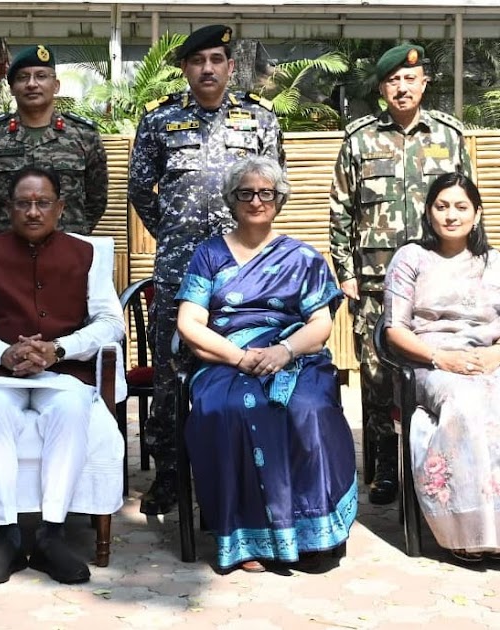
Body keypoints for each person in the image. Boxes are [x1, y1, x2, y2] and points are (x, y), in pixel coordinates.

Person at [0, 166, 124, 586]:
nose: (34, 212)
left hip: (63, 372)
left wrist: (59, 349)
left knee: (72, 408)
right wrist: (0, 352)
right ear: (9, 208)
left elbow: (111, 322)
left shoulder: (87, 254)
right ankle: (6, 535)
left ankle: (50, 534)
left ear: (60, 207)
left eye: (43, 203)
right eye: (23, 203)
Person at [127, 24, 284, 515]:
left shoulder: (259, 118)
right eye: (198, 61)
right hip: (179, 271)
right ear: (185, 69)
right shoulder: (159, 120)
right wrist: (173, 236)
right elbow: (140, 190)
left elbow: (273, 188)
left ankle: (246, 465)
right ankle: (170, 474)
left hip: (244, 272)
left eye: (217, 59)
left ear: (231, 66)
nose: (208, 69)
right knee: (171, 374)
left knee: (247, 363)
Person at [176, 157, 355, 573]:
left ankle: (312, 533)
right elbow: (189, 323)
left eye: (265, 193)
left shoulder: (303, 257)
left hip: (293, 356)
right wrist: (239, 357)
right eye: (246, 193)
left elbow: (320, 324)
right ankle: (247, 536)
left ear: (279, 199)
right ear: (231, 200)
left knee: (308, 408)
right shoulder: (209, 254)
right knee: (228, 410)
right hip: (226, 358)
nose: (256, 201)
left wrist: (284, 352)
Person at [330, 44, 473, 505]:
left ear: (424, 83)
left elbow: (468, 205)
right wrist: (346, 272)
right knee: (376, 377)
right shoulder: (359, 139)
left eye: (411, 79)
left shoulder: (449, 136)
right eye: (393, 80)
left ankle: (434, 463)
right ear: (382, 88)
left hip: (437, 280)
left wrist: (471, 268)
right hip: (375, 282)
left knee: (434, 370)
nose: (402, 87)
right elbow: (341, 209)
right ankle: (385, 469)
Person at [383, 173, 500, 562]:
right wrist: (440, 358)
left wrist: (495, 356)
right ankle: (466, 531)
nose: (452, 215)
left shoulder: (494, 262)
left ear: (477, 213)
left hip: (488, 360)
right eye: (442, 206)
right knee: (465, 404)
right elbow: (394, 330)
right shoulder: (411, 258)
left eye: (461, 207)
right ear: (429, 212)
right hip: (431, 363)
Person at [0, 45, 108, 237]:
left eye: (41, 76)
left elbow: (97, 198)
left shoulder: (84, 135)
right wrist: (2, 234)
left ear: (56, 85)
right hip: (8, 247)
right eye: (23, 77)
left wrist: (72, 232)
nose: (32, 84)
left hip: (66, 246)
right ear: (12, 88)